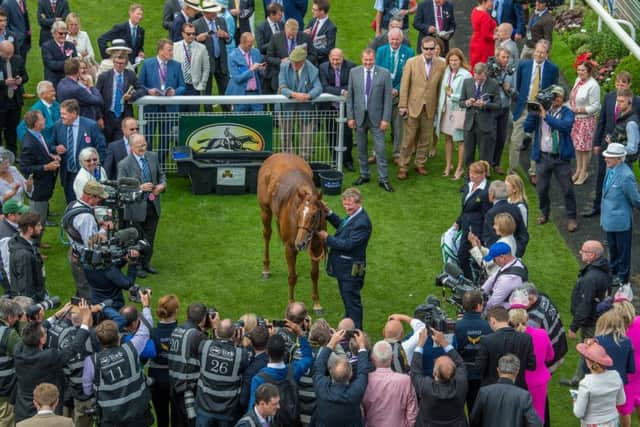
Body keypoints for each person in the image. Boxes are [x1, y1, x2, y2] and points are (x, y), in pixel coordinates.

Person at [82, 292, 154, 427]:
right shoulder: (131, 348)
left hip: (110, 418)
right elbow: (146, 329)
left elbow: (87, 391)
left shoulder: (92, 362)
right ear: (118, 336)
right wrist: (146, 306)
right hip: (137, 416)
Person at [13, 301, 93, 422]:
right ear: (42, 340)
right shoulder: (48, 356)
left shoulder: (18, 349)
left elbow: (35, 330)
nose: (46, 332)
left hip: (23, 409)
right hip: (44, 411)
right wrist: (86, 321)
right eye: (44, 333)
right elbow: (74, 347)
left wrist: (57, 315)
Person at [583, 71, 640, 218]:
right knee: (602, 176)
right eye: (618, 83)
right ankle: (597, 206)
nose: (619, 86)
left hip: (623, 152)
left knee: (622, 180)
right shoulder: (609, 97)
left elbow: (634, 134)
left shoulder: (636, 103)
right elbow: (601, 121)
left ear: (629, 85)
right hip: (606, 145)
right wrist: (596, 142)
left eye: (623, 83)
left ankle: (625, 209)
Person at [524, 84, 578, 231]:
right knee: (541, 189)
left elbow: (564, 126)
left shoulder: (567, 112)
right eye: (553, 96)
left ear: (563, 98)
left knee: (567, 189)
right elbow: (527, 128)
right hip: (543, 157)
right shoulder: (542, 109)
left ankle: (572, 217)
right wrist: (533, 111)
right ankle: (544, 213)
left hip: (561, 158)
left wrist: (545, 116)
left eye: (558, 97)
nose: (555, 99)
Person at [317, 188, 372, 329]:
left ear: (359, 203)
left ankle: (357, 334)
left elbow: (348, 244)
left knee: (352, 303)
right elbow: (343, 226)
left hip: (351, 271)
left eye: (350, 205)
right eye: (345, 204)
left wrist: (327, 238)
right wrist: (329, 213)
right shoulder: (355, 216)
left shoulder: (362, 222)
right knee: (348, 301)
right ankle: (348, 327)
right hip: (346, 270)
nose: (347, 207)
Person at [560, 240, 612, 387]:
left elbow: (585, 304)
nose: (580, 252)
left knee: (588, 351)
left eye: (583, 251)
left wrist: (574, 327)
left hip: (590, 321)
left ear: (593, 255)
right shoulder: (603, 267)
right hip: (599, 317)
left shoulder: (591, 278)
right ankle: (580, 378)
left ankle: (582, 381)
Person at [509, 39, 558, 182]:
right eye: (537, 51)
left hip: (540, 110)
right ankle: (512, 170)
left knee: (537, 141)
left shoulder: (552, 69)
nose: (539, 54)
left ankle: (533, 172)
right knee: (515, 140)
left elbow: (553, 90)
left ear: (547, 54)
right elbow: (518, 86)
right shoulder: (524, 65)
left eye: (542, 52)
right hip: (524, 107)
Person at [397, 36, 445, 180]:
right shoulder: (412, 62)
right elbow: (404, 85)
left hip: (430, 106)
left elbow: (440, 87)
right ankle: (403, 166)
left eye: (432, 48)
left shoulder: (441, 64)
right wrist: (403, 105)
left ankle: (420, 163)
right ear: (421, 49)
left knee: (425, 137)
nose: (429, 51)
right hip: (413, 105)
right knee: (408, 138)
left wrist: (438, 105)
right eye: (426, 49)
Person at [346, 48, 393, 191]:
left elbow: (388, 99)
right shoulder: (354, 72)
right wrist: (350, 117)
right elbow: (350, 97)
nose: (368, 63)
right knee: (361, 148)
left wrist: (386, 119)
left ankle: (383, 178)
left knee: (380, 149)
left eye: (370, 60)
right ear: (362, 59)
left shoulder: (384, 74)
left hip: (378, 118)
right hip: (359, 117)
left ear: (374, 59)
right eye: (366, 60)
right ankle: (364, 174)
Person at [118, 133, 166, 274]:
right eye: (139, 146)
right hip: (135, 208)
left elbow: (161, 175)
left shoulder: (153, 157)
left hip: (152, 205)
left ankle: (146, 263)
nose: (143, 148)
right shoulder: (124, 164)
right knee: (137, 238)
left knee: (150, 236)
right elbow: (121, 187)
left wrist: (162, 186)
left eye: (144, 145)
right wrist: (139, 188)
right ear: (132, 147)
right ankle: (136, 265)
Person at [195, 318, 252, 426]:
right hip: (227, 412)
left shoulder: (204, 346)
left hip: (204, 409)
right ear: (234, 333)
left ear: (216, 332)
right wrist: (238, 343)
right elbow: (245, 362)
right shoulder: (241, 354)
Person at [50, 98, 106, 204]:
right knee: (71, 201)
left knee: (88, 201)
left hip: (87, 172)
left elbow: (101, 148)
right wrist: (56, 148)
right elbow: (51, 145)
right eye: (61, 113)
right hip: (68, 172)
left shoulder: (91, 126)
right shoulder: (58, 125)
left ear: (74, 113)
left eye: (64, 113)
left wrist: (96, 169)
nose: (61, 116)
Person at [312, 328, 370, 427]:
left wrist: (331, 343)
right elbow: (363, 372)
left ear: (331, 372)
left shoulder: (321, 388)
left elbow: (319, 366)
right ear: (351, 374)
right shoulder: (354, 393)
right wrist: (362, 346)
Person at [168, 303, 215, 425]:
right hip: (188, 390)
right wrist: (215, 328)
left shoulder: (176, 329)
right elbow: (213, 353)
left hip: (175, 386)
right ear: (204, 318)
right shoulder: (196, 336)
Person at [600, 143, 640, 284]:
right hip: (609, 219)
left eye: (609, 157)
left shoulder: (626, 176)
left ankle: (623, 277)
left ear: (618, 159)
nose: (605, 159)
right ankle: (614, 270)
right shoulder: (610, 168)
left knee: (623, 251)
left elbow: (635, 199)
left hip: (621, 221)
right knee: (613, 247)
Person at [411, 327, 467, 427]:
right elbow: (460, 363)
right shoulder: (461, 383)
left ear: (434, 373)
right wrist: (444, 343)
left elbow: (415, 372)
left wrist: (420, 344)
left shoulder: (426, 387)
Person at [374, 28, 414, 165]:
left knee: (398, 127)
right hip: (381, 95)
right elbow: (376, 72)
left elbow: (408, 75)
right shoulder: (381, 51)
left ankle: (398, 153)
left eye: (397, 39)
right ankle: (376, 153)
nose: (395, 42)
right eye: (392, 39)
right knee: (379, 125)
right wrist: (386, 89)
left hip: (399, 95)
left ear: (401, 39)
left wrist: (397, 89)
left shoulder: (409, 53)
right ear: (388, 39)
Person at [470, 353, 542, 427]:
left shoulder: (484, 392)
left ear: (498, 370)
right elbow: (536, 424)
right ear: (517, 371)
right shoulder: (524, 396)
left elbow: (473, 420)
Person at [138, 38, 186, 148]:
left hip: (169, 109)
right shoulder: (147, 64)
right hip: (151, 108)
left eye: (172, 50)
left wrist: (175, 92)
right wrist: (148, 91)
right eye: (169, 50)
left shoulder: (177, 65)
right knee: (148, 137)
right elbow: (139, 84)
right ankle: (149, 162)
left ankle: (161, 163)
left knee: (165, 140)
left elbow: (183, 86)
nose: (171, 53)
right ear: (160, 51)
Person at [509, 309, 554, 424]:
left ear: (511, 322)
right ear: (527, 319)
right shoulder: (542, 334)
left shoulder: (509, 339)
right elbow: (550, 356)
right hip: (538, 382)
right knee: (538, 417)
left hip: (516, 382)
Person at [19, 110, 59, 234]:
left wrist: (51, 156)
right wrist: (46, 167)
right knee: (37, 219)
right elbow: (25, 168)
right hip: (38, 187)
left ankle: (38, 243)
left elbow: (40, 153)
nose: (45, 120)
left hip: (44, 184)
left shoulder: (37, 135)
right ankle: (35, 247)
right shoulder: (29, 143)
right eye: (42, 119)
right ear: (36, 123)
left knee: (41, 216)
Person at [476, 306, 535, 390]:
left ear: (492, 321)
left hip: (492, 389)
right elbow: (531, 366)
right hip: (518, 389)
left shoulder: (486, 340)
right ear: (508, 320)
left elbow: (479, 369)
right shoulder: (526, 338)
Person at [361, 340, 417, 427]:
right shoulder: (405, 381)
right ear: (392, 357)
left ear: (372, 357)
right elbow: (412, 413)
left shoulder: (364, 380)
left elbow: (361, 412)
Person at [455, 289, 493, 412]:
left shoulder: (456, 326)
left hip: (461, 375)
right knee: (477, 413)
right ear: (478, 306)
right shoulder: (488, 326)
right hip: (481, 376)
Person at [573, 339, 626, 427]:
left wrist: (575, 400)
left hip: (593, 423)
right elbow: (621, 401)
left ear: (589, 363)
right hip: (613, 422)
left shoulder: (586, 383)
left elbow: (578, 413)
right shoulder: (616, 376)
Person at [436, 48, 471, 179]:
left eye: (456, 60)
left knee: (460, 140)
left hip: (459, 110)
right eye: (451, 60)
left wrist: (454, 96)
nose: (453, 62)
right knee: (447, 138)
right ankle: (448, 165)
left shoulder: (466, 75)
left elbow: (468, 95)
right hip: (446, 109)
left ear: (461, 60)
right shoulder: (446, 72)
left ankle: (459, 168)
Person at [318, 48, 355, 170]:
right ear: (329, 58)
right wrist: (342, 91)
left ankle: (347, 160)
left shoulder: (351, 67)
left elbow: (352, 85)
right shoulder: (323, 68)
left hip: (345, 108)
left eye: (338, 59)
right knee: (331, 134)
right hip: (330, 107)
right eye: (333, 59)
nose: (335, 62)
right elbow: (324, 87)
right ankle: (335, 159)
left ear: (342, 58)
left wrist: (341, 89)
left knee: (347, 135)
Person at [519, 282, 568, 374]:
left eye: (522, 300)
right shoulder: (543, 297)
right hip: (559, 344)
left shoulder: (533, 320)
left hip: (551, 354)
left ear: (531, 298)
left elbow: (527, 343)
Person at [454, 160, 491, 279]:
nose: (471, 175)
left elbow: (487, 215)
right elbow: (465, 208)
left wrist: (483, 235)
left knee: (463, 256)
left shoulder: (486, 192)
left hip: (475, 231)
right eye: (470, 172)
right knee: (466, 257)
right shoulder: (468, 185)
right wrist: (458, 222)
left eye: (475, 173)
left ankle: (470, 281)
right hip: (466, 225)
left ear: (483, 174)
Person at [459, 62, 500, 169]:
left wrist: (485, 104)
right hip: (470, 125)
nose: (478, 81)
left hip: (485, 125)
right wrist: (467, 102)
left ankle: (484, 179)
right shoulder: (467, 82)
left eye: (481, 79)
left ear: (485, 74)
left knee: (484, 157)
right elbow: (461, 102)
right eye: (476, 78)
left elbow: (498, 105)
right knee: (468, 155)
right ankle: (469, 178)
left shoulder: (493, 84)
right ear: (473, 74)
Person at [95, 52, 143, 142]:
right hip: (107, 115)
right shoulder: (104, 77)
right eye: (116, 63)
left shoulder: (130, 75)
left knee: (121, 144)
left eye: (121, 63)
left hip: (123, 115)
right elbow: (97, 98)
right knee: (106, 143)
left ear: (125, 64)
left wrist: (131, 97)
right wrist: (99, 116)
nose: (118, 65)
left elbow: (141, 90)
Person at [193, 0, 232, 110]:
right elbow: (191, 45)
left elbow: (229, 40)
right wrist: (197, 39)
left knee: (225, 90)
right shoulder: (197, 24)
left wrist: (226, 36)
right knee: (207, 93)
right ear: (205, 12)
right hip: (206, 64)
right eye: (212, 12)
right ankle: (209, 119)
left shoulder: (221, 21)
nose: (215, 14)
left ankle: (227, 117)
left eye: (215, 11)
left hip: (221, 61)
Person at [148, 294, 180, 427]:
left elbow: (144, 356)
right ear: (176, 310)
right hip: (176, 379)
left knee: (161, 418)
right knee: (177, 418)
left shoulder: (151, 332)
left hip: (157, 379)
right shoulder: (182, 332)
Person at [569, 60, 601, 186]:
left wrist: (580, 109)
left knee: (585, 147)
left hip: (586, 120)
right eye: (579, 69)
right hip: (576, 119)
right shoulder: (578, 80)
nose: (580, 72)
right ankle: (578, 169)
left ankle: (584, 172)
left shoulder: (593, 86)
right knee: (577, 146)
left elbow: (596, 106)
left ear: (589, 72)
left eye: (583, 70)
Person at [265, 18, 315, 95]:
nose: (291, 37)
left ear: (297, 30)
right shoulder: (275, 38)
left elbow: (313, 56)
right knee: (279, 105)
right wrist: (281, 61)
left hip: (301, 79)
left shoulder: (305, 38)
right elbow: (268, 58)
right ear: (285, 29)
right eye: (289, 35)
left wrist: (301, 61)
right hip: (280, 79)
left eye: (294, 35)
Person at [483, 180, 529, 257]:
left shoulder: (491, 213)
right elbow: (523, 235)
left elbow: (488, 237)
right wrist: (517, 253)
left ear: (491, 194)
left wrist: (496, 255)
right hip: (514, 254)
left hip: (499, 258)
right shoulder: (515, 209)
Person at [173, 22, 210, 112]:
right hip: (179, 87)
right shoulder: (175, 47)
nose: (191, 36)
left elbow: (206, 68)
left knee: (193, 116)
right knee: (179, 116)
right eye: (188, 34)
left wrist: (202, 85)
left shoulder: (202, 48)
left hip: (194, 87)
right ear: (182, 34)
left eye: (193, 33)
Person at [8, 212, 45, 300]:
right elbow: (26, 286)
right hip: (31, 302)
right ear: (30, 229)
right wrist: (32, 308)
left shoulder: (23, 241)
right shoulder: (24, 256)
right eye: (38, 225)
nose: (41, 228)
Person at [480, 242, 527, 310]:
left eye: (494, 259)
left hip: (506, 311)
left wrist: (481, 312)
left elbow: (493, 303)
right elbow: (492, 278)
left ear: (502, 257)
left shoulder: (507, 279)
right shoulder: (515, 262)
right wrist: (481, 291)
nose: (493, 262)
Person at [225, 32, 265, 112]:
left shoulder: (256, 52)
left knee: (259, 121)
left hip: (255, 93)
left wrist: (262, 69)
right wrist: (251, 69)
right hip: (240, 94)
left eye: (252, 44)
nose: (251, 47)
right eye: (249, 45)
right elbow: (237, 78)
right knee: (240, 123)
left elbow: (260, 74)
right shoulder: (232, 56)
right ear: (242, 43)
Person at [469, 212, 517, 277]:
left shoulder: (502, 243)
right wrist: (480, 247)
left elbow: (484, 264)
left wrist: (475, 247)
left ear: (502, 226)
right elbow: (494, 254)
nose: (494, 227)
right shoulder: (510, 238)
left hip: (496, 278)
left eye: (496, 225)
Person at [56, 57, 104, 122]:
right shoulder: (77, 89)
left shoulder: (61, 83)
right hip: (83, 121)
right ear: (78, 70)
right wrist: (91, 86)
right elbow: (98, 100)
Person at [0, 41, 26, 154]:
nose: (9, 56)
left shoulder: (18, 59)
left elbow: (25, 76)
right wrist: (4, 83)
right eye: (7, 54)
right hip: (1, 101)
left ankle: (12, 154)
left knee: (12, 129)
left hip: (14, 101)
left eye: (11, 53)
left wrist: (20, 80)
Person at [0, 299, 22, 426]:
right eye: (16, 316)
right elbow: (23, 352)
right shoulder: (7, 334)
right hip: (4, 388)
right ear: (9, 317)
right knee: (6, 419)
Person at [41, 21, 76, 88]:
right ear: (53, 33)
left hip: (70, 78)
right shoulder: (46, 46)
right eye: (60, 33)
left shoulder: (70, 45)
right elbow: (51, 64)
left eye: (65, 33)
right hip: (54, 80)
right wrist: (68, 63)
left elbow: (75, 61)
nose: (63, 35)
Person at [304, 0, 336, 65]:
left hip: (320, 62)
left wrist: (311, 50)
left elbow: (329, 49)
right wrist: (303, 34)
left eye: (315, 10)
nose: (312, 11)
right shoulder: (312, 21)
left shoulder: (331, 28)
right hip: (308, 59)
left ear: (322, 11)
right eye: (312, 9)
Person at [469, 0, 496, 71]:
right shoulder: (484, 15)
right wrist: (496, 37)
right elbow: (486, 35)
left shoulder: (475, 10)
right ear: (484, 1)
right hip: (484, 46)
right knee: (484, 68)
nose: (492, 4)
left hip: (475, 43)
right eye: (491, 1)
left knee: (475, 66)